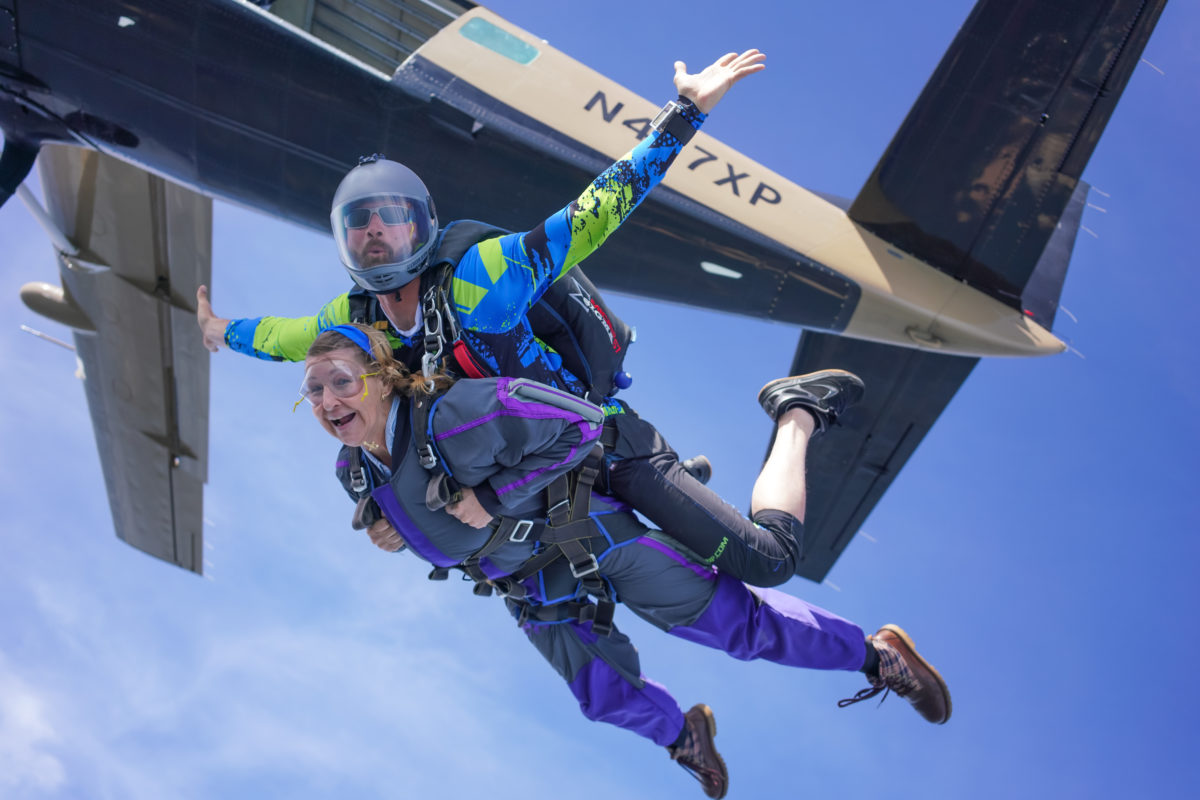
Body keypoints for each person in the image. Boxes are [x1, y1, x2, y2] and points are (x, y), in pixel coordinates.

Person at [196, 50, 829, 589]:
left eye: (390, 216)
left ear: (421, 224)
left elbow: (592, 215)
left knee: (767, 563)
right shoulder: (354, 319)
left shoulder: (481, 278)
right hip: (526, 482)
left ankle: (795, 411)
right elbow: (282, 339)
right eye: (358, 224)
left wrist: (685, 113)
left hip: (600, 445)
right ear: (343, 243)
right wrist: (222, 332)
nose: (376, 233)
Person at [301, 323, 952, 799]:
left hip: (592, 534)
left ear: (384, 376)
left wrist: (493, 495)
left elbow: (582, 424)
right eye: (315, 390)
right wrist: (396, 534)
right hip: (530, 588)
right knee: (602, 695)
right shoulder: (352, 470)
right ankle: (684, 737)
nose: (330, 400)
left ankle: (877, 656)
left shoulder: (452, 417)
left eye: (342, 381)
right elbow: (421, 516)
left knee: (741, 625)